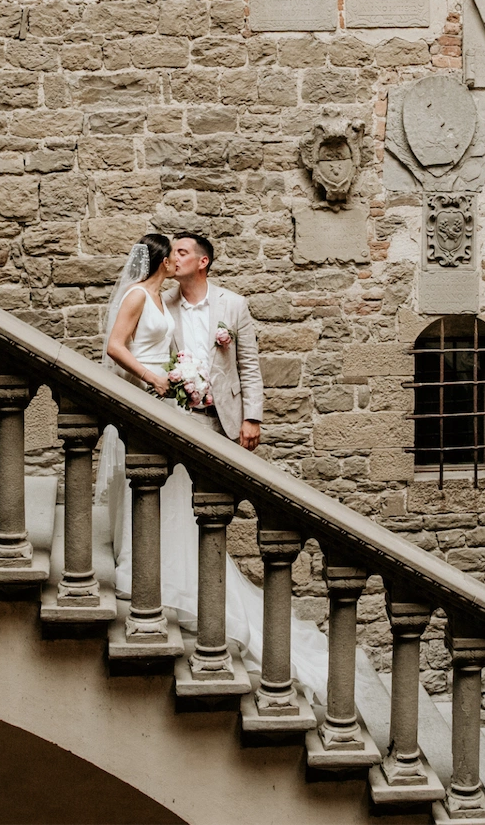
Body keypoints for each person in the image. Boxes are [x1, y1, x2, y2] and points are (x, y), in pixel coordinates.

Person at [96, 232, 330, 702]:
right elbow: (140, 351)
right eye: (173, 252)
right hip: (175, 413)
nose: (176, 258)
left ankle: (191, 577)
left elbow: (249, 366)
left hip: (220, 420)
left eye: (184, 252)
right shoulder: (163, 303)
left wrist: (253, 417)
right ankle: (162, 573)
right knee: (168, 493)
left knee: (205, 505)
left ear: (203, 262)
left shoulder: (233, 306)